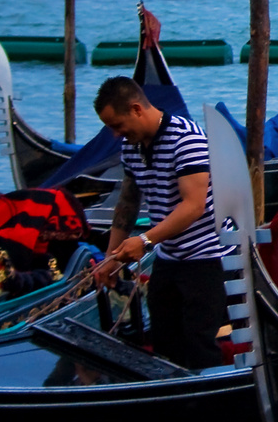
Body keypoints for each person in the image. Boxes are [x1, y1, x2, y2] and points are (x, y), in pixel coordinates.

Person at [93, 77, 230, 369]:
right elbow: (127, 204)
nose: (116, 134)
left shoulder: (187, 139)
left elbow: (193, 207)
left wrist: (144, 241)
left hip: (208, 256)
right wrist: (110, 258)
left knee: (199, 344)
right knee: (164, 342)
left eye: (117, 125)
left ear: (136, 110)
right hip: (168, 256)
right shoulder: (132, 146)